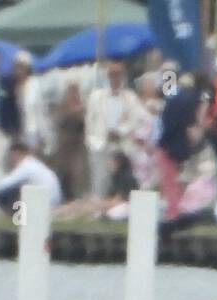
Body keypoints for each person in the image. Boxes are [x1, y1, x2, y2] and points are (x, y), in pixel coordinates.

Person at [84, 60, 141, 200]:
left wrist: (120, 131)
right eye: (112, 74)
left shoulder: (130, 97)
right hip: (100, 142)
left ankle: (121, 203)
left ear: (123, 76)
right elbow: (89, 121)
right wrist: (92, 140)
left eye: (118, 74)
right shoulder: (96, 97)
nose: (115, 78)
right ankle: (98, 205)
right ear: (107, 76)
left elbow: (134, 120)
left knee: (123, 176)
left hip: (122, 143)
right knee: (100, 177)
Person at [155, 72, 201, 220]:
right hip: (184, 146)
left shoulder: (173, 101)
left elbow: (167, 123)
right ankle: (180, 208)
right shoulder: (194, 100)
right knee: (180, 181)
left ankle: (173, 211)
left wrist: (162, 141)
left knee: (169, 181)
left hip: (169, 145)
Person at [0, 141, 62, 211]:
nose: (12, 160)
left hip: (44, 204)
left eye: (13, 156)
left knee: (3, 192)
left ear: (17, 154)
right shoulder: (35, 164)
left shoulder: (26, 165)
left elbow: (3, 185)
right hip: (54, 201)